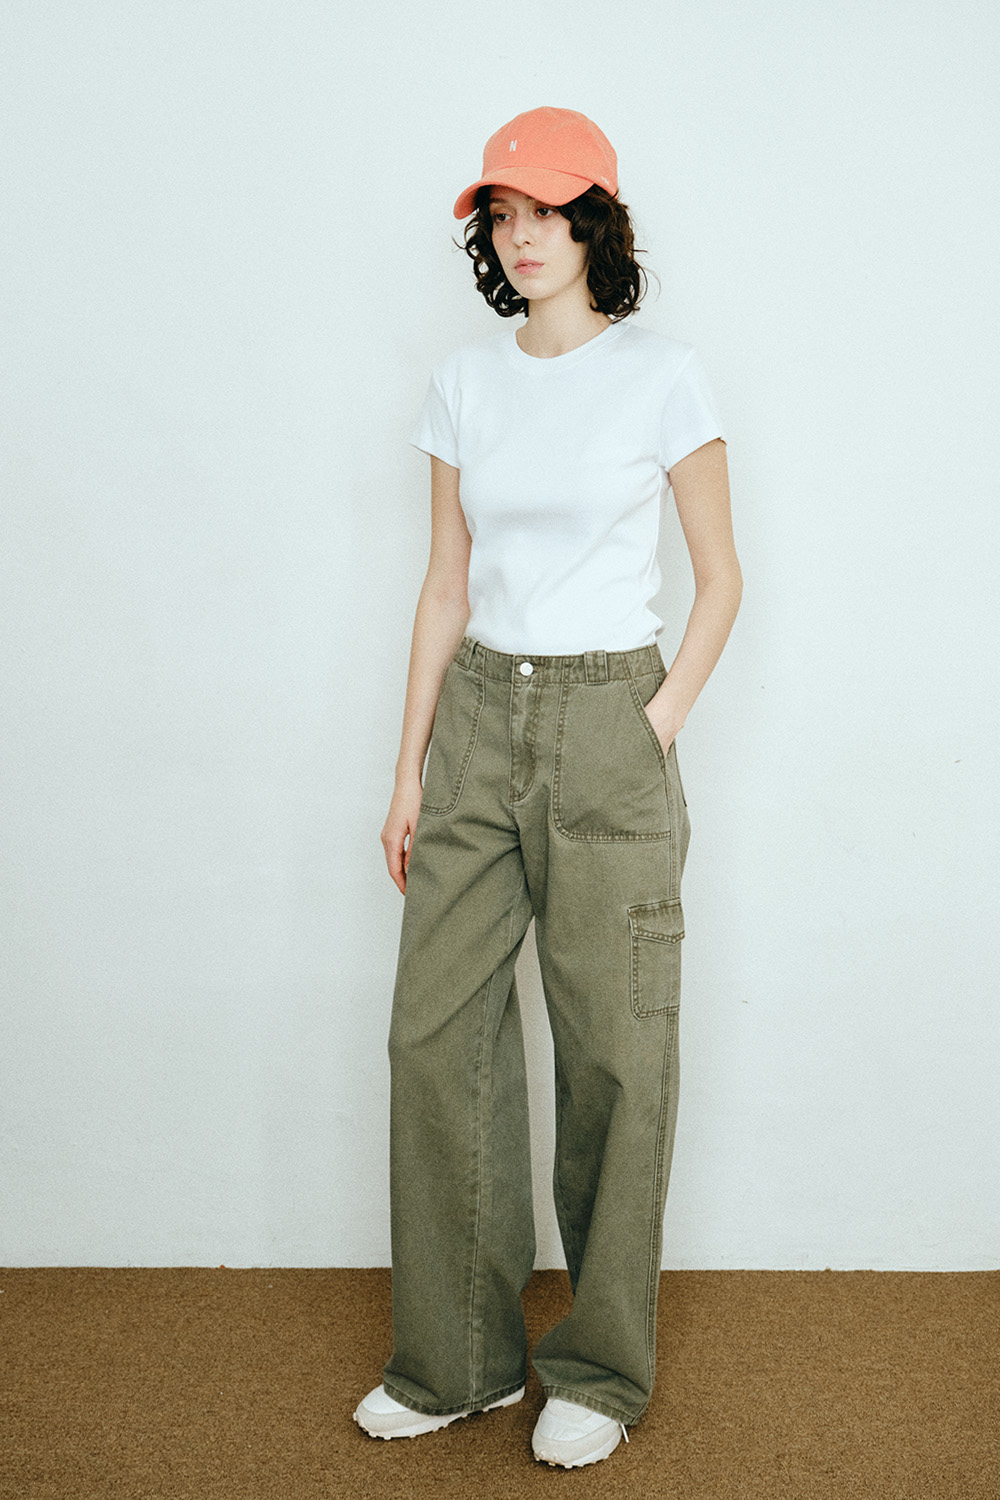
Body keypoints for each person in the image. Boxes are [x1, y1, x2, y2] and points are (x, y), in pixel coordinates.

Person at [354, 106, 742, 1469]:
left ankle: (600, 1370)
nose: (522, 237)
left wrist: (657, 722)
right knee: (434, 1037)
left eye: (547, 213)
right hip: (477, 719)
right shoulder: (466, 384)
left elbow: (722, 578)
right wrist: (408, 766)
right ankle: (457, 1361)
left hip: (607, 720)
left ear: (597, 225)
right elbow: (444, 586)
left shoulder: (665, 376)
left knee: (614, 1052)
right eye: (503, 217)